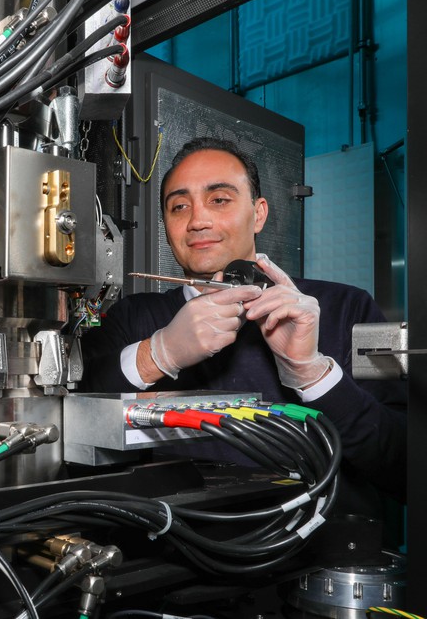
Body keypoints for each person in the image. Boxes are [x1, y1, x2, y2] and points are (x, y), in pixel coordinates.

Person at [80, 137, 406, 512]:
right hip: (176, 554)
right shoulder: (133, 316)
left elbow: (408, 464)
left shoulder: (354, 305)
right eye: (179, 206)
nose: (198, 220)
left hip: (320, 556)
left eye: (219, 199)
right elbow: (72, 429)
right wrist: (157, 354)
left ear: (259, 213)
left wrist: (314, 374)